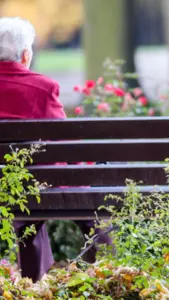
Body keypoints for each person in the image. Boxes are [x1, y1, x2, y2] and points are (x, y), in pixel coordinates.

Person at [0, 17, 111, 282]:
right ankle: (110, 271)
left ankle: (33, 280)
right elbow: (65, 144)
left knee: (26, 211)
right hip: (41, 184)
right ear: (26, 55)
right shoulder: (42, 87)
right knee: (85, 203)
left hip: (6, 183)